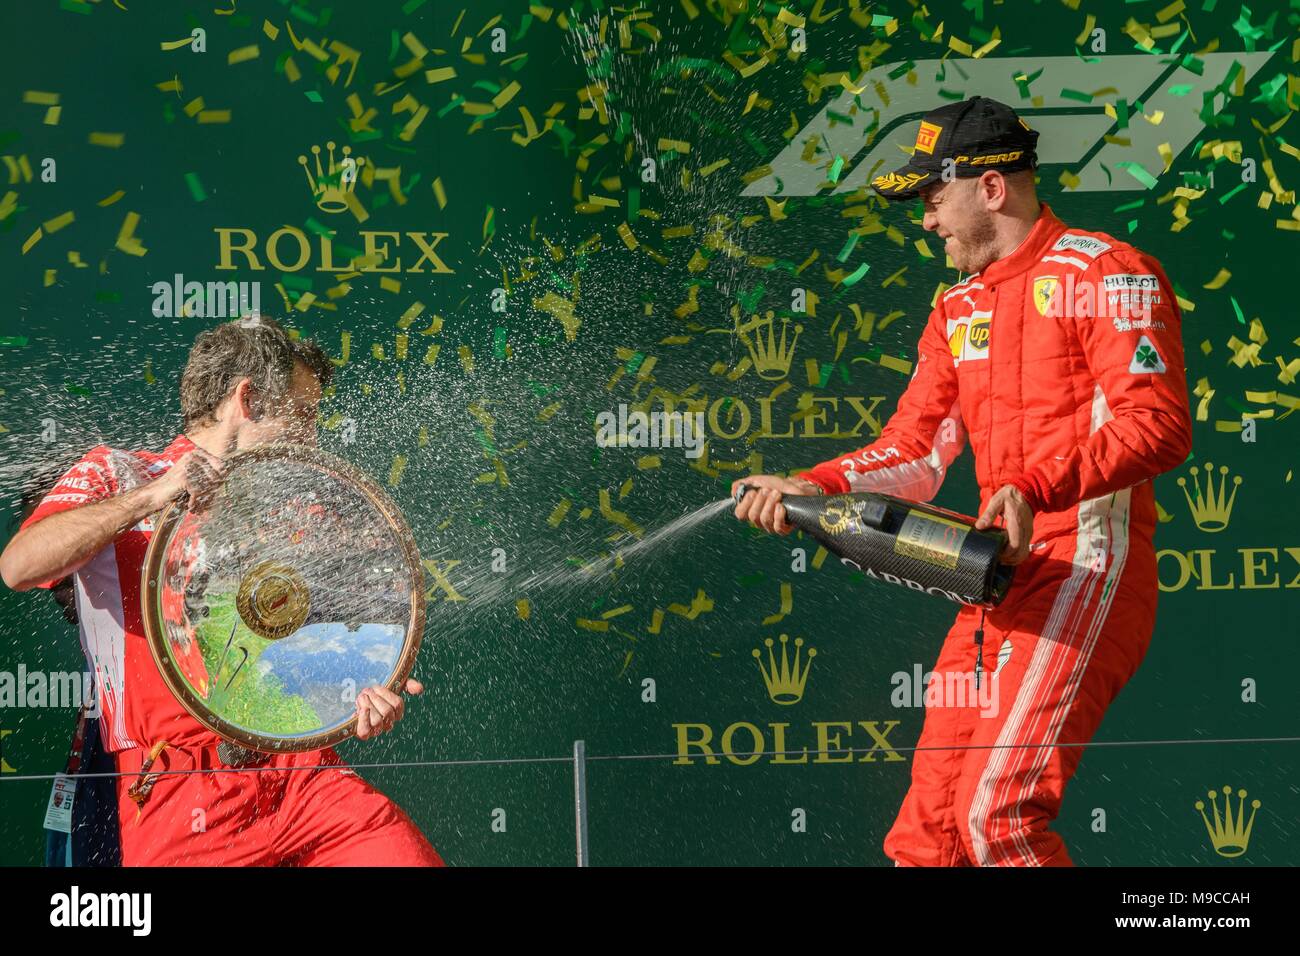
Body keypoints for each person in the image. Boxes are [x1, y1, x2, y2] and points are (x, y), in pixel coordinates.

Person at [733, 96, 1192, 866]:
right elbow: (915, 450)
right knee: (930, 838)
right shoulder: (956, 308)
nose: (925, 221)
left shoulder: (1109, 273)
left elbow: (1158, 424)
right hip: (989, 582)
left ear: (990, 187)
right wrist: (810, 485)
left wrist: (1035, 487)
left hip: (1082, 567)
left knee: (996, 818)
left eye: (933, 198)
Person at [1, 316, 443, 866]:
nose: (311, 435)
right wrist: (156, 494)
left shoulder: (293, 505)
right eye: (302, 415)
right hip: (176, 784)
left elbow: (300, 647)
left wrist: (355, 693)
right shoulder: (119, 472)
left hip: (302, 775)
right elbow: (19, 565)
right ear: (249, 398)